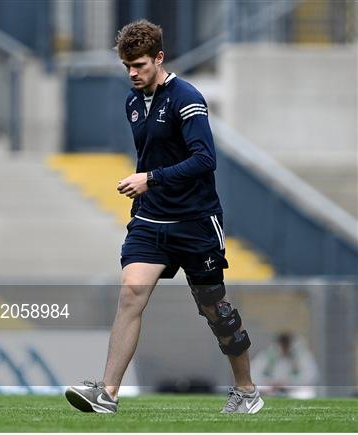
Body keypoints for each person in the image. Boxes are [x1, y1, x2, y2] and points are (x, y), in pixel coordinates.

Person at [65, 19, 263, 414]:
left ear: (159, 58)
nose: (133, 74)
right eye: (127, 67)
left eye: (139, 65)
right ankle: (108, 393)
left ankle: (246, 390)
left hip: (194, 220)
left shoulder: (187, 97)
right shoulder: (133, 101)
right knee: (130, 292)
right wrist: (146, 189)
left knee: (216, 310)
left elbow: (205, 160)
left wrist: (150, 179)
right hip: (152, 219)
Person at [251, 332, 318, 399]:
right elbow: (253, 374)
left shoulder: (301, 356)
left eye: (287, 343)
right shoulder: (268, 355)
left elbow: (311, 375)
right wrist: (270, 383)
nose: (284, 346)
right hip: (271, 390)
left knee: (307, 393)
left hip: (293, 390)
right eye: (283, 344)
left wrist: (289, 383)